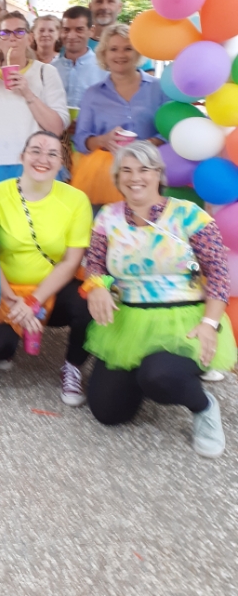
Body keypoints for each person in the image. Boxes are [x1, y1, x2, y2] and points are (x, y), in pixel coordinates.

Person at [82, 141, 236, 458]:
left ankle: (204, 407)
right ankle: (149, 376)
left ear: (158, 174)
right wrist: (98, 287)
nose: (134, 177)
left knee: (160, 376)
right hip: (129, 322)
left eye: (143, 169)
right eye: (126, 170)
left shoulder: (188, 215)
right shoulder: (108, 218)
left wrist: (209, 323)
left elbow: (218, 274)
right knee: (108, 413)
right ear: (117, 177)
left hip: (184, 320)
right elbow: (98, 265)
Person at [0, 131, 94, 406]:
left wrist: (34, 301)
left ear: (61, 163)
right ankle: (10, 338)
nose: (43, 159)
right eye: (35, 151)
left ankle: (73, 366)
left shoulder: (77, 200)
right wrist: (11, 298)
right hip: (5, 289)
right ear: (22, 157)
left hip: (50, 290)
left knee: (87, 304)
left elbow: (71, 260)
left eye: (52, 154)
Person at [0, 11, 69, 188]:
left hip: (33, 164)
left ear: (29, 38)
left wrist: (28, 93)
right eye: (5, 33)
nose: (13, 38)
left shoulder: (46, 72)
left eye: (19, 32)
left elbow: (56, 128)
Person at [72, 23, 168, 206]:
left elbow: (169, 130)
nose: (120, 55)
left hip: (149, 176)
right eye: (113, 49)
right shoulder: (93, 94)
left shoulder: (158, 88)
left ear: (137, 52)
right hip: (104, 179)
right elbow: (80, 140)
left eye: (127, 49)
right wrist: (104, 140)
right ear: (104, 54)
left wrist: (148, 144)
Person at [51, 7, 104, 108]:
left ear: (91, 31)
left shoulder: (104, 70)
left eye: (79, 29)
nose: (71, 36)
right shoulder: (51, 69)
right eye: (66, 30)